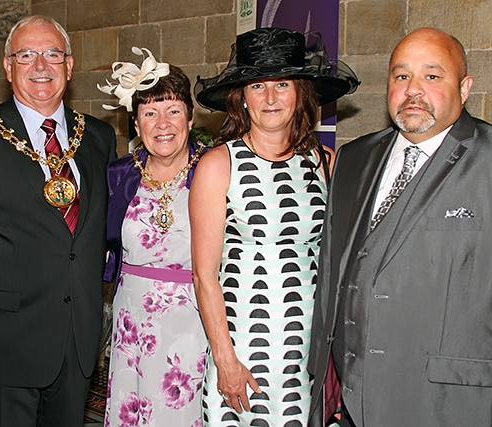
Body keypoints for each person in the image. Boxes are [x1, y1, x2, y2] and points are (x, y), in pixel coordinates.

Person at [0, 15, 117, 427]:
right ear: (7, 66)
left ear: (69, 66)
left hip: (76, 339)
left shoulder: (99, 137)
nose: (40, 66)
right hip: (2, 342)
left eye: (52, 54)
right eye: (26, 55)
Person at [307, 27, 492, 427]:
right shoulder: (354, 158)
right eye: (401, 75)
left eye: (432, 75)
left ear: (464, 88)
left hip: (450, 403)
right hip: (354, 401)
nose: (413, 90)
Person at [190, 28, 359, 427]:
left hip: (308, 351)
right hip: (242, 348)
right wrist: (225, 359)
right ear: (241, 97)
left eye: (282, 84)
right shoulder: (218, 165)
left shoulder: (324, 162)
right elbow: (204, 275)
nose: (269, 98)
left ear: (300, 92)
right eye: (257, 85)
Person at [98, 48, 208, 427]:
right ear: (136, 122)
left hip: (194, 319)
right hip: (132, 318)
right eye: (150, 113)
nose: (163, 123)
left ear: (190, 118)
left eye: (173, 110)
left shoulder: (214, 170)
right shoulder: (117, 174)